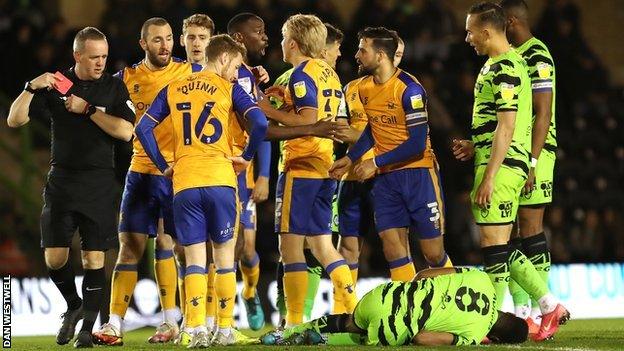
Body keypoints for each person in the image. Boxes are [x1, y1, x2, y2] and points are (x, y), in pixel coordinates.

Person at [135, 34, 268, 347]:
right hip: (221, 180)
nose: (237, 73)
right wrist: (246, 158)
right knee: (223, 260)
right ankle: (223, 329)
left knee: (193, 259)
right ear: (222, 59)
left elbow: (143, 128)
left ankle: (194, 330)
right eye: (235, 65)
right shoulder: (229, 88)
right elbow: (260, 124)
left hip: (185, 183)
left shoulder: (174, 86)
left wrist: (163, 164)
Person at [7, 27, 135, 348]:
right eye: (94, 57)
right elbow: (15, 120)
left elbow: (126, 131)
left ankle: (87, 331)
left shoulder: (114, 88)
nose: (100, 63)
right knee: (54, 258)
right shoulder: (55, 84)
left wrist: (89, 110)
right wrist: (30, 88)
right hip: (62, 182)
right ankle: (74, 305)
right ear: (77, 55)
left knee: (94, 260)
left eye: (104, 56)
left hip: (99, 182)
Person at [452, 2, 568, 341]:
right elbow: (507, 126)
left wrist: (492, 174)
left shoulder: (507, 66)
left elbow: (508, 126)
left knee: (497, 244)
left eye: (471, 31)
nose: (467, 38)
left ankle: (514, 316)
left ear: (487, 31)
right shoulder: (507, 63)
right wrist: (477, 146)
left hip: (501, 167)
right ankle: (535, 309)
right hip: (500, 160)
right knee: (500, 245)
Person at [93, 17, 203, 346]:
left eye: (169, 38)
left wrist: (256, 75)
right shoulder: (125, 79)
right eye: (157, 40)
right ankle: (114, 324)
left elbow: (228, 80)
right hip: (140, 171)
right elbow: (94, 98)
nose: (165, 45)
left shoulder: (190, 71)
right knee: (130, 247)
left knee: (173, 247)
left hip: (176, 173)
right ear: (144, 44)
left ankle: (172, 321)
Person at [330, 27, 452, 284]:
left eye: (363, 50)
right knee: (392, 247)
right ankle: (408, 313)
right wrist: (351, 159)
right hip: (386, 180)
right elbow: (373, 131)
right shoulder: (363, 88)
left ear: (381, 55)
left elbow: (417, 144)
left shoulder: (410, 89)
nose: (357, 55)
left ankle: (454, 302)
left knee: (433, 252)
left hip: (418, 174)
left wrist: (374, 161)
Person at [258, 14, 357, 327]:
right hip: (324, 166)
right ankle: (353, 310)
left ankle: (295, 322)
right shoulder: (329, 73)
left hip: (300, 166)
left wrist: (267, 110)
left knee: (289, 249)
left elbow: (308, 120)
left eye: (283, 38)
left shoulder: (301, 75)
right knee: (322, 245)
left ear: (293, 43)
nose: (281, 45)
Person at [262, 267, 528, 346]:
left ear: (509, 313)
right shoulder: (471, 336)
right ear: (494, 338)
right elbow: (423, 338)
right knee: (371, 335)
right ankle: (323, 339)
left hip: (382, 294)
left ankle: (285, 332)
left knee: (351, 319)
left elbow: (424, 275)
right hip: (389, 326)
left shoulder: (481, 278)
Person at [332, 33, 405, 314]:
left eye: (399, 56)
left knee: (396, 246)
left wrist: (361, 136)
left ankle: (405, 309)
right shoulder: (350, 88)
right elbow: (340, 130)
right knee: (347, 247)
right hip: (352, 178)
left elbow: (400, 137)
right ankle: (343, 312)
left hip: (386, 177)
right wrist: (365, 137)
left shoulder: (403, 90)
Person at [499, 0, 558, 334]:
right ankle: (524, 309)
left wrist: (532, 161)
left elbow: (543, 112)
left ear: (511, 21)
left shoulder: (538, 55)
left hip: (537, 154)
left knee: (531, 227)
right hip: (518, 152)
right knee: (515, 231)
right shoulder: (515, 56)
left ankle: (541, 309)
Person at [227, 12, 271, 331]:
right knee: (227, 246)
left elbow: (261, 127)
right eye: (259, 32)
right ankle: (217, 320)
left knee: (246, 250)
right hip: (218, 170)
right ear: (240, 39)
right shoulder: (234, 73)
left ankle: (250, 292)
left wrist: (265, 174)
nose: (264, 37)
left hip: (245, 173)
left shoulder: (248, 75)